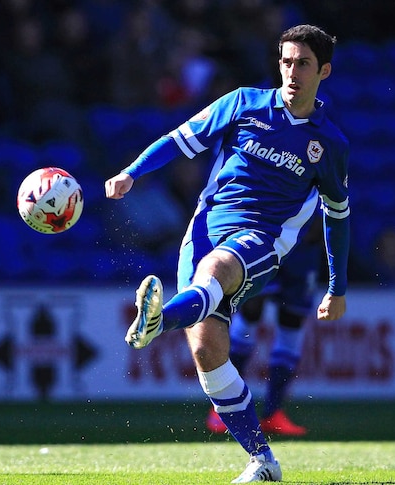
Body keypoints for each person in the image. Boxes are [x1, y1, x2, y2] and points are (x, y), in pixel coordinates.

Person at [105, 24, 349, 483]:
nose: (292, 71)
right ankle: (262, 459)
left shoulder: (329, 144)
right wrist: (132, 173)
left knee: (216, 271)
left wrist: (336, 286)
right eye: (286, 61)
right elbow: (180, 139)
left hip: (263, 240)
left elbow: (338, 217)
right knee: (207, 348)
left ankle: (158, 321)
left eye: (304, 64)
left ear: (324, 71)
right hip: (203, 227)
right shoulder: (243, 103)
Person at [206, 216, 323, 437]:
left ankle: (273, 412)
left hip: (304, 248)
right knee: (251, 312)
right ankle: (222, 407)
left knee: (292, 320)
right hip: (268, 239)